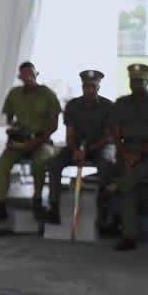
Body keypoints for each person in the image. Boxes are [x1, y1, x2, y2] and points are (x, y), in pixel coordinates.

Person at [0, 61, 60, 221]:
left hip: (42, 141)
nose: (28, 77)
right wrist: (12, 127)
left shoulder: (47, 94)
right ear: (19, 76)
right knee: (2, 164)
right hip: (19, 141)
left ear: (37, 74)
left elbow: (54, 124)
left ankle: (37, 200)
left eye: (31, 73)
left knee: (40, 163)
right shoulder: (14, 94)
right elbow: (8, 116)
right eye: (24, 74)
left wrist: (39, 140)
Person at [43, 69, 115, 226]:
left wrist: (87, 151)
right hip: (76, 145)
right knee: (54, 163)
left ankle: (104, 210)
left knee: (107, 164)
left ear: (98, 88)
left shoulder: (108, 106)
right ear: (82, 87)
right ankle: (54, 207)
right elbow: (69, 134)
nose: (89, 90)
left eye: (93, 87)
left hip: (100, 146)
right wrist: (76, 150)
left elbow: (109, 136)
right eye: (86, 87)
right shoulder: (73, 105)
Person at [108, 63, 148, 251]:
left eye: (140, 81)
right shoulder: (121, 103)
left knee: (132, 177)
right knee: (129, 187)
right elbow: (115, 134)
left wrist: (140, 154)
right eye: (133, 80)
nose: (136, 84)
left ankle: (119, 185)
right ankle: (129, 236)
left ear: (147, 81)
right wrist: (125, 153)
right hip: (127, 149)